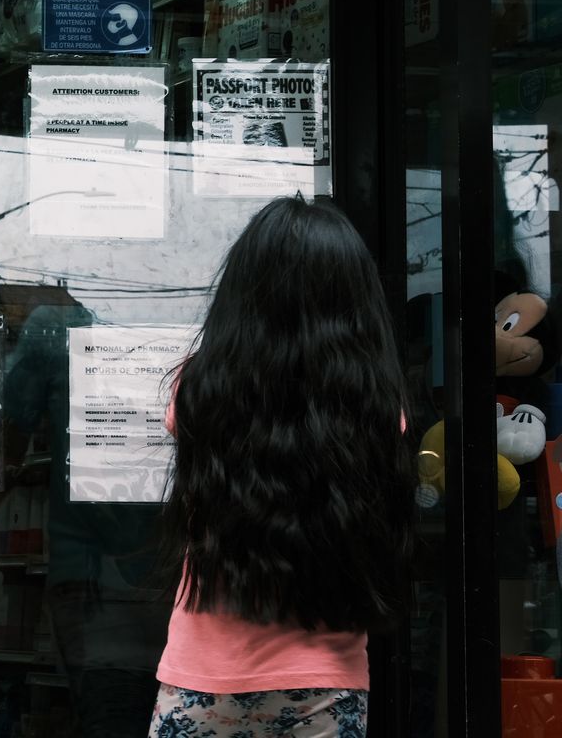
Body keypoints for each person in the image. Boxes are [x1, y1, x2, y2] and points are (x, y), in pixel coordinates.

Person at [150, 197, 414, 738]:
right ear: (353, 297)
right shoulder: (377, 408)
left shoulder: (199, 390)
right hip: (328, 684)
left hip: (205, 677)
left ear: (243, 292)